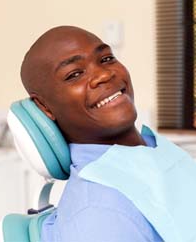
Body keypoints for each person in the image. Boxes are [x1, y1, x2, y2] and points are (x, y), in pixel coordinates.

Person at [21, 26, 163, 242]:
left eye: (106, 59)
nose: (104, 74)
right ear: (44, 107)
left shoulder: (153, 148)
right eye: (74, 74)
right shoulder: (102, 216)